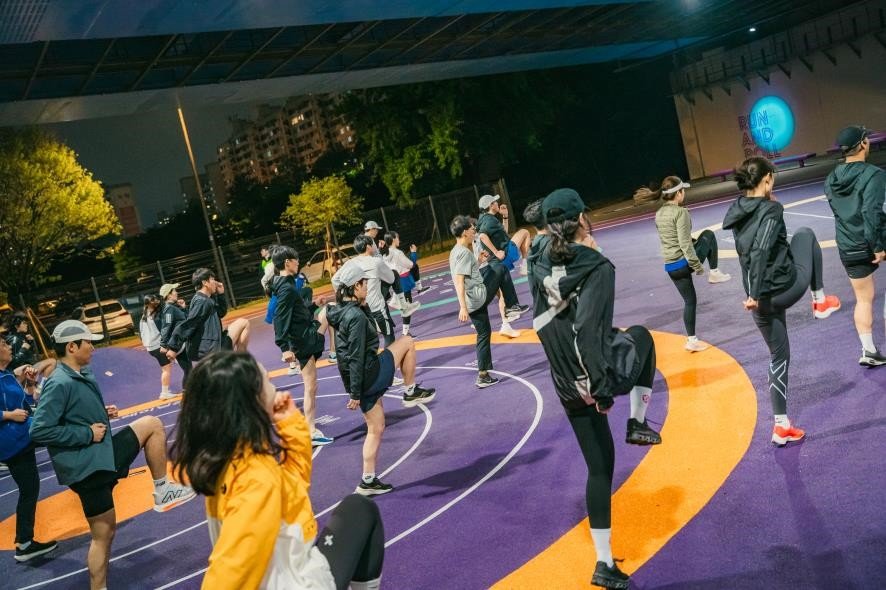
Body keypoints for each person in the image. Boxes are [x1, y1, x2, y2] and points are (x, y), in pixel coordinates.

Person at [529, 188, 661, 590]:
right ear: (582, 220)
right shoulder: (597, 266)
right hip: (592, 375)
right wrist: (601, 390)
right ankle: (637, 421)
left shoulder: (536, 258)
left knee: (599, 468)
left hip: (564, 381)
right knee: (642, 336)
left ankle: (604, 562)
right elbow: (588, 331)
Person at [171, 352, 384, 590]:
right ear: (253, 401)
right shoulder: (255, 480)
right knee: (361, 509)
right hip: (299, 583)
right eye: (267, 380)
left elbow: (293, 490)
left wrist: (291, 425)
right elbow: (230, 570)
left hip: (283, 574)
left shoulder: (225, 460)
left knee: (358, 507)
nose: (273, 384)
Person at [30, 320, 195, 590]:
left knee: (104, 534)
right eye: (88, 342)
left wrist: (100, 414)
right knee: (102, 535)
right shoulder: (59, 382)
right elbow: (39, 430)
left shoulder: (78, 374)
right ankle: (162, 490)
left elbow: (73, 413)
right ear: (71, 347)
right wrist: (86, 433)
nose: (93, 347)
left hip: (98, 459)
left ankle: (162, 490)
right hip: (89, 467)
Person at [722, 157, 842, 446]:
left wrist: (752, 295)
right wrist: (754, 293)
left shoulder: (736, 210)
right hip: (783, 288)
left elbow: (750, 253)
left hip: (760, 303)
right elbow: (761, 250)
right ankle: (819, 299)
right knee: (805, 235)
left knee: (778, 356)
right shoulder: (771, 210)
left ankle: (780, 425)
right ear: (767, 179)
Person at [326, 265, 435, 495]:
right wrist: (355, 393)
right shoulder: (355, 316)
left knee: (375, 428)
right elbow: (356, 356)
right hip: (369, 373)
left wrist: (353, 389)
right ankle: (410, 390)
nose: (368, 287)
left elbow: (345, 352)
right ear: (356, 286)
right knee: (407, 341)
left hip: (358, 379)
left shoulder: (340, 311)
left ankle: (367, 480)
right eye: (364, 284)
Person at [824, 125, 886, 366]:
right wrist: (877, 246)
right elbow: (870, 211)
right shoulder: (874, 174)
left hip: (848, 244)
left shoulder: (831, 178)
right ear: (862, 144)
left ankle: (868, 350)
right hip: (875, 239)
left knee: (863, 298)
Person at [654, 176, 732, 352]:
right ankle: (714, 272)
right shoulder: (680, 213)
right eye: (683, 191)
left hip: (671, 267)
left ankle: (692, 340)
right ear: (678, 193)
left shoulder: (658, 214)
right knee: (708, 235)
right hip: (684, 263)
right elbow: (684, 244)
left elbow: (671, 239)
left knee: (689, 302)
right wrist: (697, 266)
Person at [1, 338, 58, 562]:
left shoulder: (6, 376)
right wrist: (8, 415)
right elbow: (14, 412)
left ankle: (25, 543)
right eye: (3, 344)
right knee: (61, 432)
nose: (9, 347)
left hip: (21, 434)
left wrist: (31, 385)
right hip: (13, 440)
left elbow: (24, 406)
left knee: (29, 488)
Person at [270, 245, 333, 447]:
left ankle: (311, 429)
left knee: (311, 386)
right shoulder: (286, 288)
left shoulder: (285, 284)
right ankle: (311, 431)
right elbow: (280, 318)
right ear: (287, 262)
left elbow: (296, 312)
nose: (298, 262)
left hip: (304, 336)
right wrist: (284, 348)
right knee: (310, 386)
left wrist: (314, 305)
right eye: (296, 259)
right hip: (303, 340)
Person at [450, 215, 522, 388]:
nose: (474, 231)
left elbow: (466, 272)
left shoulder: (455, 251)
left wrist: (479, 261)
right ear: (465, 232)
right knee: (500, 268)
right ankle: (511, 306)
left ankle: (483, 375)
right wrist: (462, 307)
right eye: (471, 229)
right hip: (477, 296)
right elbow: (459, 281)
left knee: (483, 334)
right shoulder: (463, 253)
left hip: (472, 301)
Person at [166, 268, 250, 366]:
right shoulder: (202, 301)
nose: (216, 282)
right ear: (205, 282)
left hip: (209, 346)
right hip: (210, 349)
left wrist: (221, 294)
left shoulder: (204, 298)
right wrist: (173, 347)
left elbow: (221, 312)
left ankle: (231, 362)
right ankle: (241, 363)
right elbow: (190, 324)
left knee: (236, 325)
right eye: (212, 279)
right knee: (243, 322)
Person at [333, 235, 398, 348]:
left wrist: (346, 297)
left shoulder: (350, 263)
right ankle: (402, 302)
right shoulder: (376, 262)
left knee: (367, 343)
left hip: (358, 309)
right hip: (376, 309)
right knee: (389, 338)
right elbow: (391, 279)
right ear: (368, 247)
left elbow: (334, 280)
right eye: (373, 244)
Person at [364, 221, 420, 317]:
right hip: (376, 271)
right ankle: (398, 303)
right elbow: (371, 256)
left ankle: (398, 303)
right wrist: (414, 253)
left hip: (377, 270)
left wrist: (380, 249)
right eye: (376, 229)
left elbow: (375, 255)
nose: (377, 232)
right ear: (372, 229)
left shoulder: (369, 240)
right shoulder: (368, 240)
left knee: (391, 281)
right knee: (394, 277)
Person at [477, 194, 532, 276]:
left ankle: (524, 266)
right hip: (505, 256)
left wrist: (505, 216)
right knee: (524, 232)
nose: (497, 203)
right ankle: (525, 266)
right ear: (491, 205)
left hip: (495, 263)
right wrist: (496, 252)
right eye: (495, 202)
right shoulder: (490, 220)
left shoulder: (483, 218)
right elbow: (482, 236)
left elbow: (504, 232)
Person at [381, 231, 418, 336]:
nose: (399, 240)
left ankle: (395, 301)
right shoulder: (397, 253)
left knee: (404, 306)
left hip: (395, 281)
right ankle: (405, 333)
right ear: (393, 239)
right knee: (407, 308)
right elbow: (410, 264)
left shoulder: (385, 254)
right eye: (397, 238)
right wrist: (413, 253)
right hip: (403, 281)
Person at [139, 295, 176, 400]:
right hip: (157, 346)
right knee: (166, 369)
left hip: (150, 347)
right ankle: (164, 393)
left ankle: (165, 391)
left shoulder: (143, 316)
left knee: (166, 367)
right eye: (154, 300)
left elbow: (141, 334)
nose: (156, 301)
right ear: (150, 303)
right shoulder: (155, 316)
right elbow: (163, 331)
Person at [158, 283, 191, 385]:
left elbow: (186, 320)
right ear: (169, 295)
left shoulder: (173, 307)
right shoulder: (169, 309)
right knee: (188, 370)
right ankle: (187, 390)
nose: (176, 292)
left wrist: (183, 307)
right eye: (174, 291)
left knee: (189, 369)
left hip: (181, 342)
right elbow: (166, 326)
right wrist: (163, 344)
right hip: (177, 343)